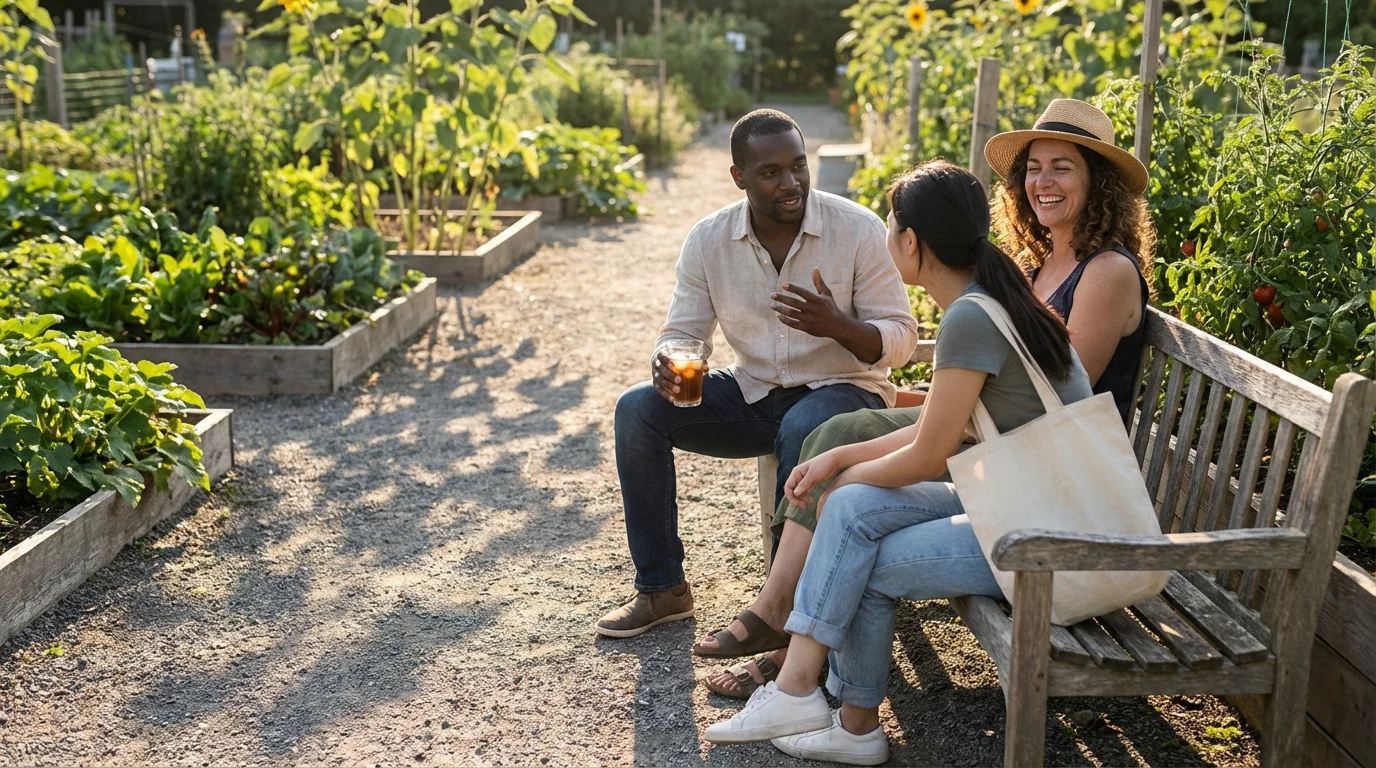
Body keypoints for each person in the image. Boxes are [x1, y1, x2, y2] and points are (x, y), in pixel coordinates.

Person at [697, 98, 1156, 697]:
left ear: (1099, 184)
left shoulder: (1105, 272)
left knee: (843, 453)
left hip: (1043, 484)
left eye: (1062, 167)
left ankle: (802, 663)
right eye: (1034, 167)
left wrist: (914, 406)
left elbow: (1051, 407)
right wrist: (922, 396)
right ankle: (807, 666)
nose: (1042, 180)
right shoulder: (1036, 263)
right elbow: (997, 390)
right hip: (1006, 463)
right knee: (843, 448)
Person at [595, 109, 920, 639]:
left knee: (805, 426)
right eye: (771, 173)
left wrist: (838, 325)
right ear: (739, 176)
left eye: (798, 166)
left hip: (846, 391)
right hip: (755, 391)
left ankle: (781, 606)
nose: (791, 183)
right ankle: (662, 590)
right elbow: (683, 332)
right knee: (637, 410)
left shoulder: (856, 228)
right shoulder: (709, 240)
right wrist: (672, 363)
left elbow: (902, 339)